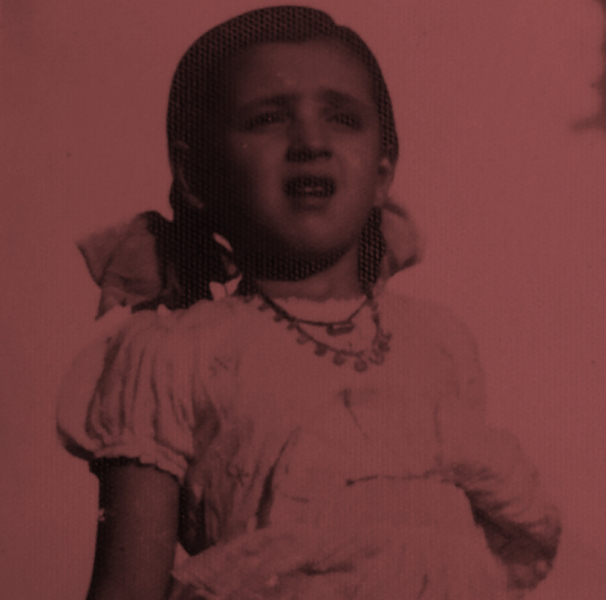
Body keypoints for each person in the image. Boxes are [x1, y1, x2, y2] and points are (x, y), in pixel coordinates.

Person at [57, 7, 560, 600]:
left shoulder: (440, 342)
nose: (311, 143)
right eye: (267, 118)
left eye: (342, 118)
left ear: (382, 173)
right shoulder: (171, 353)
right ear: (194, 176)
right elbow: (126, 589)